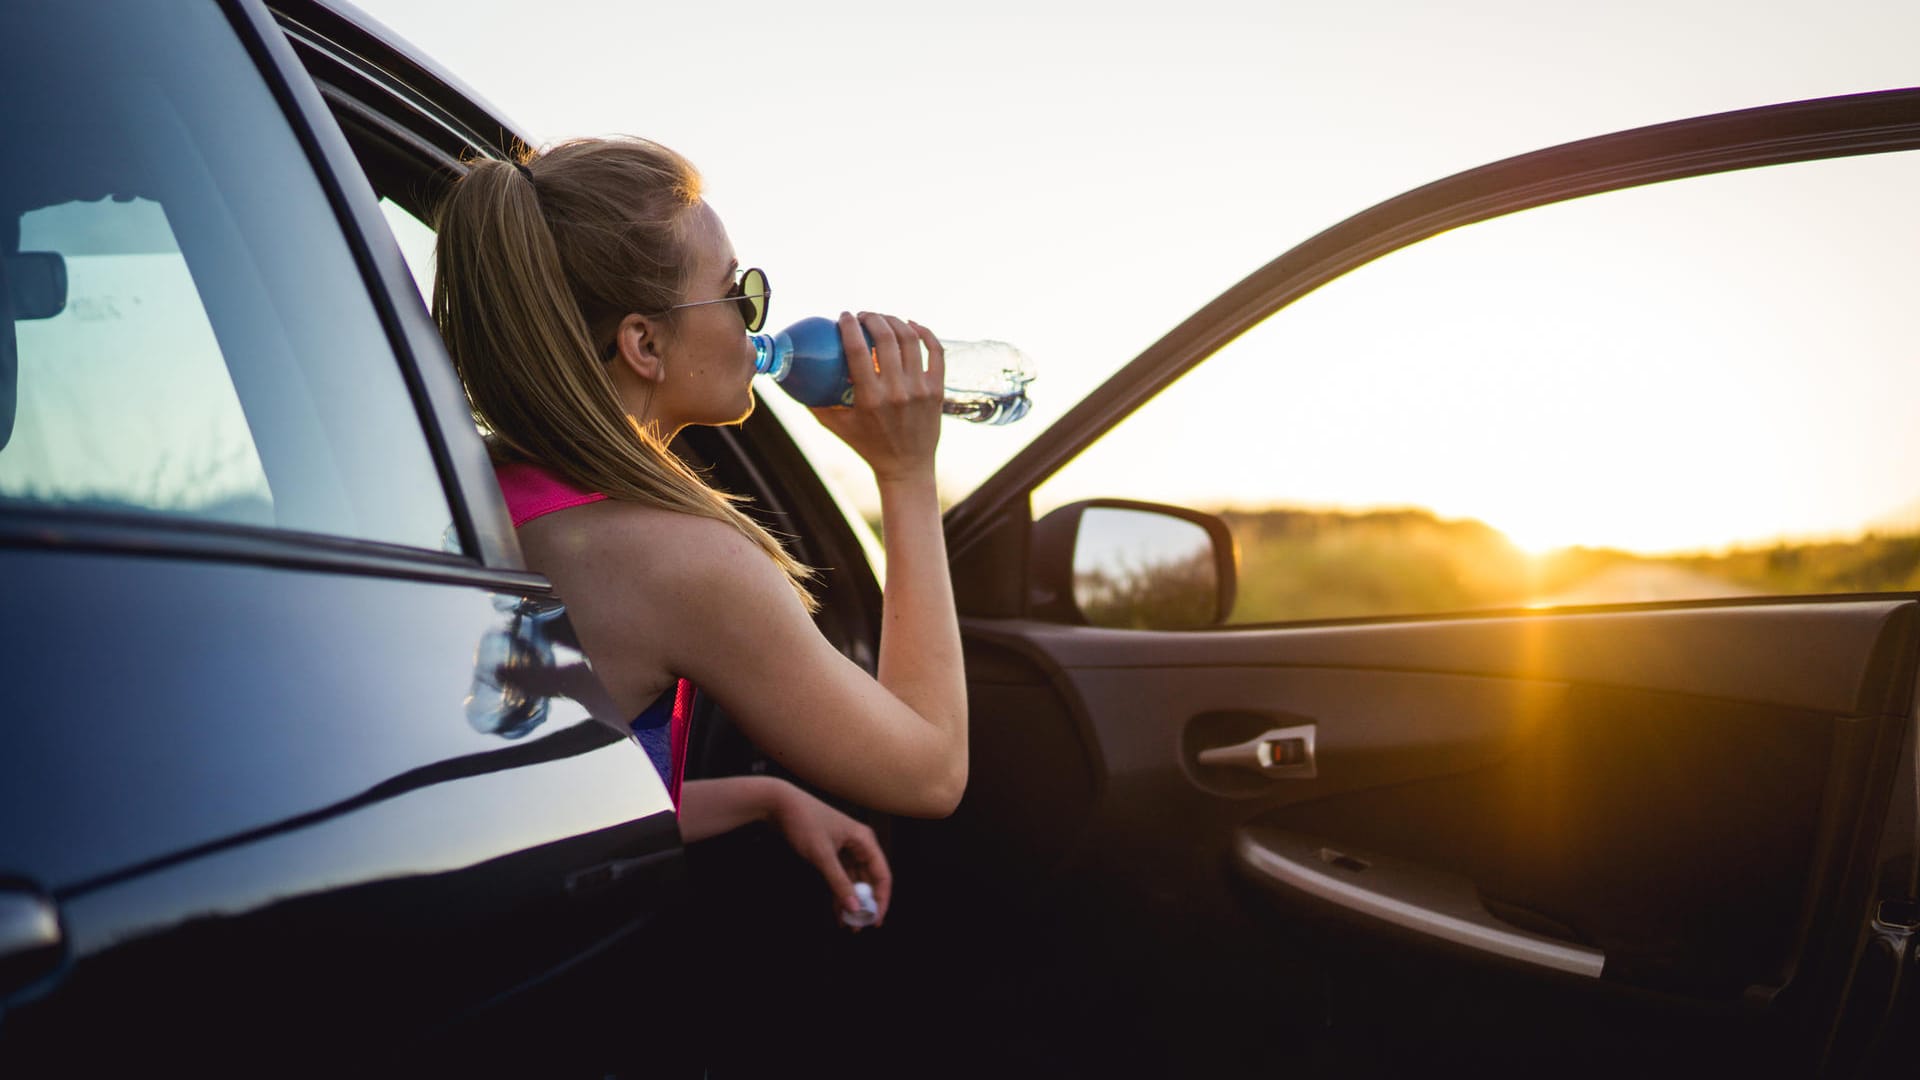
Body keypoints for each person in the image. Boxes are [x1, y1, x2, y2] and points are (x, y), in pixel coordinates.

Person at [431, 137, 967, 928]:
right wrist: (909, 477)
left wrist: (764, 796)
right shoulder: (677, 562)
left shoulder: (479, 500)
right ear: (644, 344)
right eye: (736, 293)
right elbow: (931, 772)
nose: (755, 318)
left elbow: (528, 803)